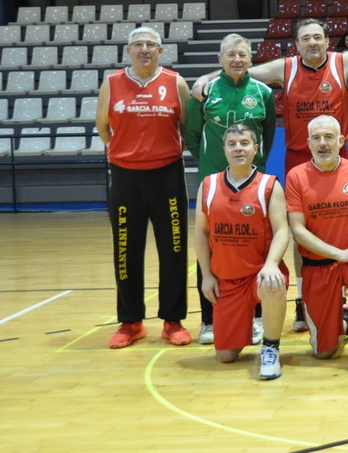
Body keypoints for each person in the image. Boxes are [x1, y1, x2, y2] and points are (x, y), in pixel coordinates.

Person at [191, 18, 348, 332]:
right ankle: (303, 301)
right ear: (297, 44)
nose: (312, 43)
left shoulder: (344, 61)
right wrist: (208, 76)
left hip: (338, 157)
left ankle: (345, 295)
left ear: (327, 41)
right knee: (301, 234)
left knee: (343, 227)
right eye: (306, 38)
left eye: (317, 37)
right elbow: (239, 69)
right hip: (299, 160)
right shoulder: (284, 68)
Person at [96, 25, 192, 348]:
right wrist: (124, 153)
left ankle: (173, 320)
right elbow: (103, 126)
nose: (144, 49)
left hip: (167, 175)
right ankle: (131, 321)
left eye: (151, 44)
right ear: (128, 51)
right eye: (138, 44)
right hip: (125, 177)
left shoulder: (175, 83)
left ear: (161, 51)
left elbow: (187, 126)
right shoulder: (111, 83)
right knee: (125, 250)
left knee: (174, 249)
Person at [185, 33, 276, 345]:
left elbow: (268, 134)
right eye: (231, 55)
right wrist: (212, 164)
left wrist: (254, 168)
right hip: (215, 180)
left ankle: (258, 317)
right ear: (219, 60)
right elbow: (192, 133)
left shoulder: (263, 92)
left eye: (242, 55)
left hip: (254, 182)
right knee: (209, 248)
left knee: (256, 248)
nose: (237, 60)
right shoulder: (204, 91)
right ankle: (208, 321)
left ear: (251, 59)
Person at [285, 115, 348, 378]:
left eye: (329, 137)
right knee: (323, 352)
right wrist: (336, 253)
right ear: (308, 143)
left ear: (341, 140)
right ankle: (346, 318)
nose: (323, 143)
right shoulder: (296, 176)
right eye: (317, 138)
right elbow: (297, 230)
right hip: (318, 264)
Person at [194, 124, 290, 380]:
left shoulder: (269, 185)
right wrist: (206, 275)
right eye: (233, 144)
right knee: (226, 355)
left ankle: (270, 347)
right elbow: (201, 233)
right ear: (224, 149)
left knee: (273, 283)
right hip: (226, 280)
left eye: (245, 143)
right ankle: (242, 324)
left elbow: (282, 230)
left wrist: (271, 264)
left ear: (256, 149)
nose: (239, 148)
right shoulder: (209, 184)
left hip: (258, 275)